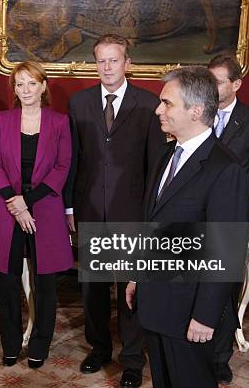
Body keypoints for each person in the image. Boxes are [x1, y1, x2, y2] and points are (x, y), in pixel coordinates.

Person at [126, 66, 249, 387]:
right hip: (156, 303)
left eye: (166, 103)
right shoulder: (166, 153)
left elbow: (227, 250)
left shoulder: (226, 169)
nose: (158, 109)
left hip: (191, 313)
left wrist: (206, 315)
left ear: (195, 111)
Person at [63, 33, 165, 387]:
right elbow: (73, 159)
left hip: (131, 212)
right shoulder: (79, 103)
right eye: (101, 60)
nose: (107, 66)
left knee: (130, 290)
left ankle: (134, 359)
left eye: (114, 60)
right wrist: (70, 206)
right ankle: (100, 348)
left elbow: (155, 166)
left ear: (127, 63)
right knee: (93, 287)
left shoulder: (149, 104)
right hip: (90, 208)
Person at [0, 61, 72, 368]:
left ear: (43, 86)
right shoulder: (3, 120)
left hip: (44, 209)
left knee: (45, 285)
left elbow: (62, 167)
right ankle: (9, 345)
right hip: (6, 211)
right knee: (6, 284)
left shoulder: (59, 122)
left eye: (31, 83)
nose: (26, 90)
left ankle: (39, 346)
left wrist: (27, 202)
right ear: (14, 90)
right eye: (19, 84)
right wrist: (14, 203)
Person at [207, 53, 249, 383]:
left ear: (236, 84)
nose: (211, 86)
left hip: (231, 221)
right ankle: (194, 349)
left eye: (217, 81)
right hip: (194, 220)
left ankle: (220, 356)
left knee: (223, 292)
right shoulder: (195, 115)